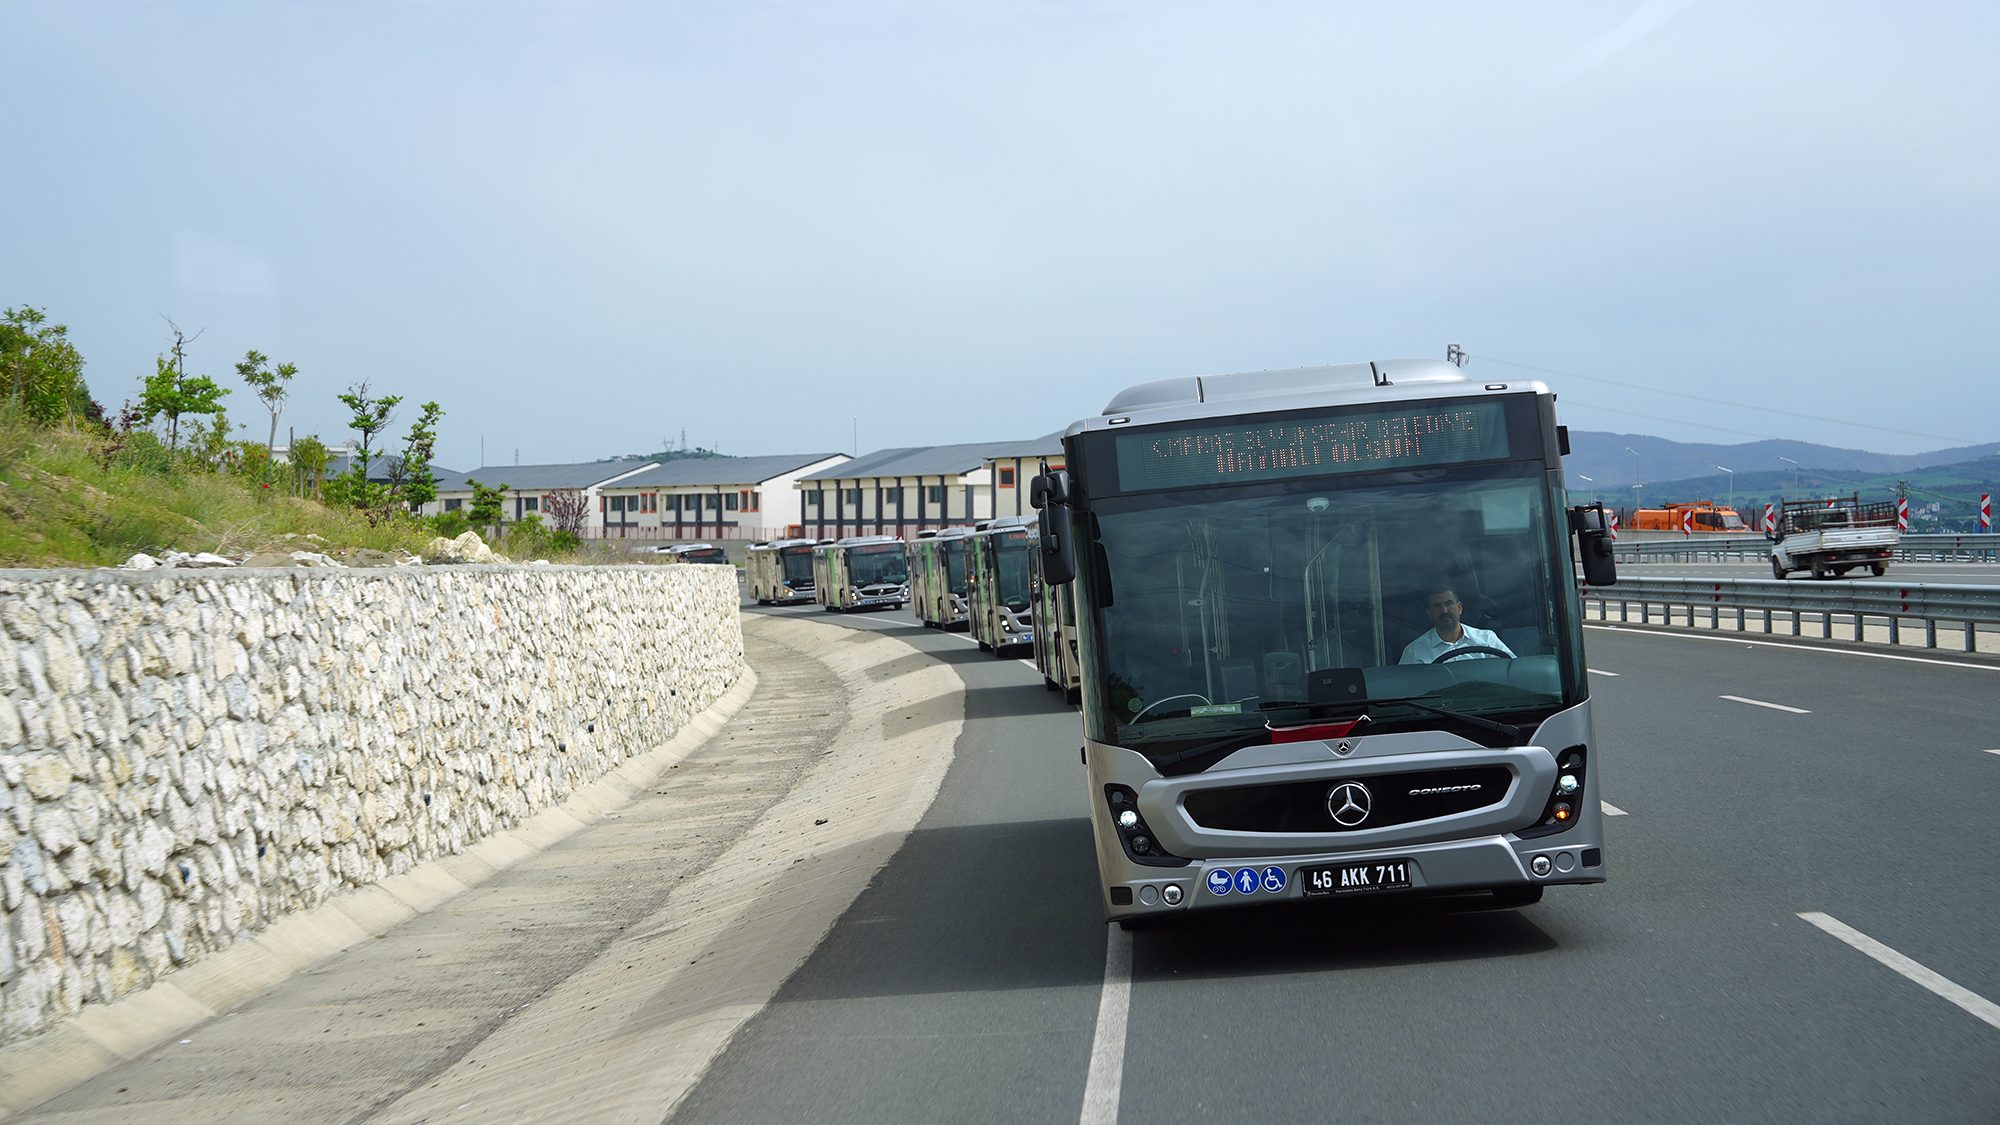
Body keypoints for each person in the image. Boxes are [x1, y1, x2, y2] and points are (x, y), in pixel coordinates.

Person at [1399, 582, 1516, 664]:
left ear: (1459, 608)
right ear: (1429, 614)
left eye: (1449, 603)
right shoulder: (1414, 652)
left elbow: (1513, 671)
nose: (1444, 610)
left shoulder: (1487, 640)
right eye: (1437, 606)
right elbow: (1405, 690)